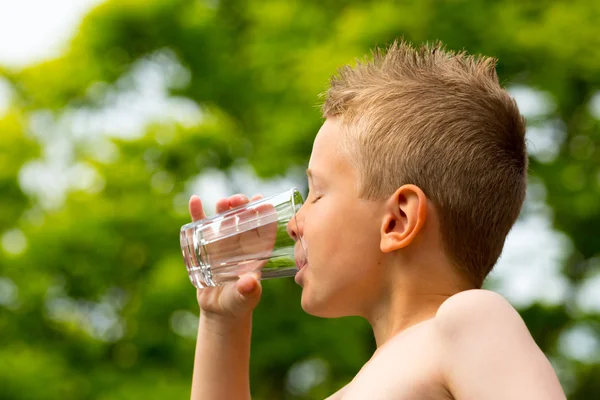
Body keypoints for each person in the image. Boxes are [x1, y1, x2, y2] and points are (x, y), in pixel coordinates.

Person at [187, 40, 566, 399]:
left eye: (317, 193)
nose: (292, 223)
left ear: (397, 221)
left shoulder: (469, 321)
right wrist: (223, 323)